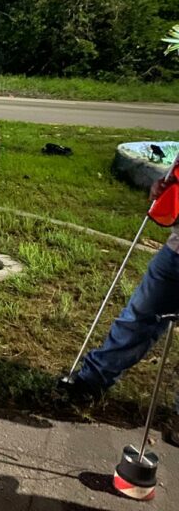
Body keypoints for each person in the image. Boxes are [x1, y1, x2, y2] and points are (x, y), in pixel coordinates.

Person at [63, 175, 179, 447]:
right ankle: (92, 380)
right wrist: (161, 190)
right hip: (175, 254)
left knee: (138, 316)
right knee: (138, 317)